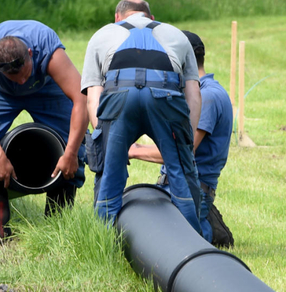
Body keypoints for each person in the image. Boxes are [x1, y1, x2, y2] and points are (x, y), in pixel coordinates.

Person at [81, 0, 204, 233]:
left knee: (109, 175)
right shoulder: (177, 35)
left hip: (119, 98)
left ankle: (103, 243)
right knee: (181, 175)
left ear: (118, 17)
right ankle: (193, 245)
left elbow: (92, 98)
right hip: (165, 98)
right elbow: (194, 96)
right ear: (152, 17)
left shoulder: (101, 35)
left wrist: (104, 138)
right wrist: (185, 142)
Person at [0, 20, 88, 244]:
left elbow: (81, 99)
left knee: (75, 153)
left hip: (45, 87)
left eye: (24, 73)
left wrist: (69, 153)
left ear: (30, 54)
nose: (21, 81)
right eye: (15, 78)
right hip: (2, 93)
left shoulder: (49, 51)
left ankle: (57, 230)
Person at [129, 31, 234, 248]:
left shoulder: (208, 97)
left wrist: (133, 150)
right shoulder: (194, 93)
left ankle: (205, 229)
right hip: (175, 186)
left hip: (190, 189)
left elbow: (182, 152)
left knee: (156, 240)